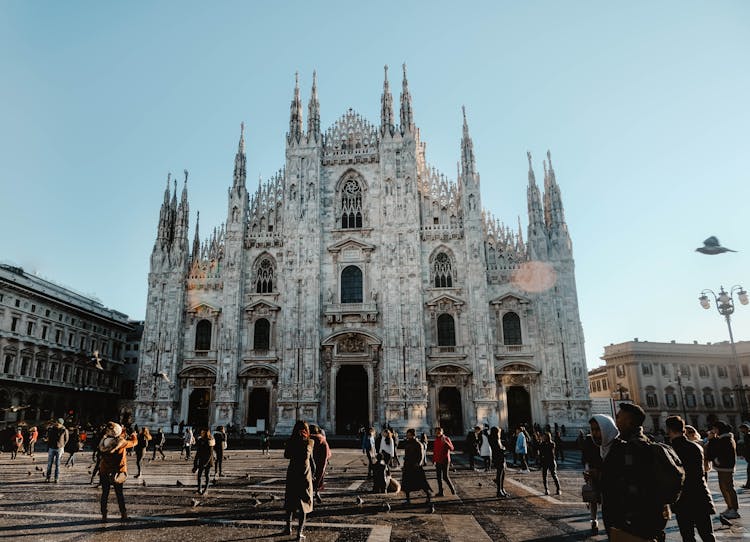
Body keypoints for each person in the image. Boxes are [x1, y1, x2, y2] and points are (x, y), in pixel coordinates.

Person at [602, 403, 670, 541]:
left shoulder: (629, 448)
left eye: (619, 418)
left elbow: (624, 481)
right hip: (649, 513)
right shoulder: (648, 442)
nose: (616, 422)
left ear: (629, 422)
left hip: (634, 515)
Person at [666, 416, 715, 542]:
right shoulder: (696, 447)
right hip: (700, 493)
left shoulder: (670, 450)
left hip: (682, 498)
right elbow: (701, 472)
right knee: (707, 534)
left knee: (688, 536)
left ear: (669, 430)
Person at [583, 414, 618, 536]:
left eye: (598, 430)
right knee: (593, 499)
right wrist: (588, 471)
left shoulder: (620, 447)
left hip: (618, 500)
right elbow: (586, 458)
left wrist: (600, 473)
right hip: (598, 482)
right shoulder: (592, 442)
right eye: (592, 430)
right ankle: (594, 519)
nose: (594, 434)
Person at [98, 421, 137, 522]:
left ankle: (104, 515)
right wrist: (134, 435)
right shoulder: (121, 442)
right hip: (117, 472)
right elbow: (134, 443)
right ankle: (123, 514)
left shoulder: (104, 441)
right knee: (119, 494)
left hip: (104, 471)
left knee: (105, 493)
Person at [283, 420, 314, 540]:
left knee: (290, 500)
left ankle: (288, 527)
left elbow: (286, 455)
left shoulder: (291, 441)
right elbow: (311, 460)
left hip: (292, 473)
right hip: (304, 474)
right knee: (304, 503)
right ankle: (299, 532)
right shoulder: (309, 442)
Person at [705, 420, 739, 519]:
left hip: (726, 467)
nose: (713, 431)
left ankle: (734, 509)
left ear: (719, 429)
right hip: (723, 467)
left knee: (728, 488)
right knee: (724, 488)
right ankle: (730, 507)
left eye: (715, 428)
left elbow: (717, 450)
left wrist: (712, 440)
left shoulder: (726, 439)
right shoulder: (723, 438)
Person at [401, 428, 432, 505]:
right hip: (408, 466)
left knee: (421, 483)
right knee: (406, 484)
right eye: (407, 435)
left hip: (415, 466)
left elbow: (421, 455)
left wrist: (418, 463)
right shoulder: (407, 443)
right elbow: (406, 454)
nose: (407, 436)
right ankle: (408, 500)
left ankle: (428, 495)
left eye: (409, 435)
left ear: (413, 435)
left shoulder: (418, 444)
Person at [310, 424, 331, 504]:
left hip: (310, 463)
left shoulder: (308, 439)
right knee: (318, 477)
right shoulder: (322, 439)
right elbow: (328, 453)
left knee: (309, 480)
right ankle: (316, 492)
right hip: (320, 462)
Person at [432, 427, 456, 497]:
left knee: (445, 476)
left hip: (445, 460)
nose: (438, 432)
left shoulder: (446, 438)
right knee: (438, 477)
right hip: (438, 461)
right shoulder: (436, 440)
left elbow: (452, 448)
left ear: (442, 432)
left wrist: (446, 442)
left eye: (439, 431)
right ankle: (440, 492)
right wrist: (434, 460)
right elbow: (435, 451)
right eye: (436, 431)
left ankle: (452, 489)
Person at [45, 418, 69, 483]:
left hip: (59, 448)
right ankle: (48, 477)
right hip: (51, 448)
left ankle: (56, 478)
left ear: (61, 424)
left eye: (58, 423)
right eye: (56, 422)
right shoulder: (51, 429)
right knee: (49, 464)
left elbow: (66, 439)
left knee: (57, 464)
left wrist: (62, 445)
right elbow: (48, 437)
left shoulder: (64, 430)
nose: (57, 424)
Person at [192, 427, 215, 495]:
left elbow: (210, 454)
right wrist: (195, 463)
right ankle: (199, 489)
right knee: (199, 475)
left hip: (208, 461)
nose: (201, 433)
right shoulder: (200, 440)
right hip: (201, 460)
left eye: (202, 432)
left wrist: (205, 463)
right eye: (201, 432)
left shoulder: (210, 440)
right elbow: (198, 452)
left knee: (207, 475)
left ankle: (206, 489)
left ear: (206, 433)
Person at [738, 422, 750, 490]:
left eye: (741, 429)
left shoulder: (747, 436)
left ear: (745, 429)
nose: (740, 430)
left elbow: (747, 447)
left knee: (749, 471)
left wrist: (744, 454)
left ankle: (748, 485)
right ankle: (748, 485)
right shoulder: (747, 435)